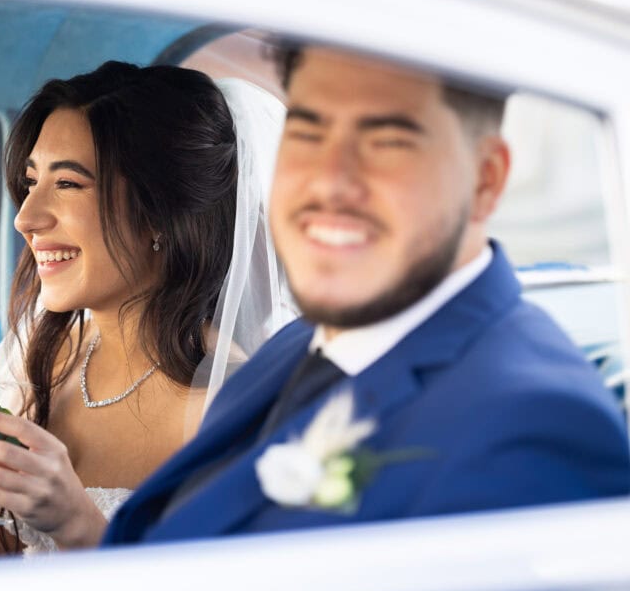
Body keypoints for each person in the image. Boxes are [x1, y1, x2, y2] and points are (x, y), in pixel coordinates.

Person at [103, 45, 630, 545]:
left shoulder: (535, 430)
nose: (328, 183)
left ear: (485, 182)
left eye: (387, 143)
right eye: (308, 135)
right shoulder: (293, 345)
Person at [0, 62, 292, 564]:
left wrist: (78, 524)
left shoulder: (238, 407)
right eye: (30, 181)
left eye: (67, 183)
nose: (26, 217)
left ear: (160, 213)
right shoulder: (45, 359)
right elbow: (0, 554)